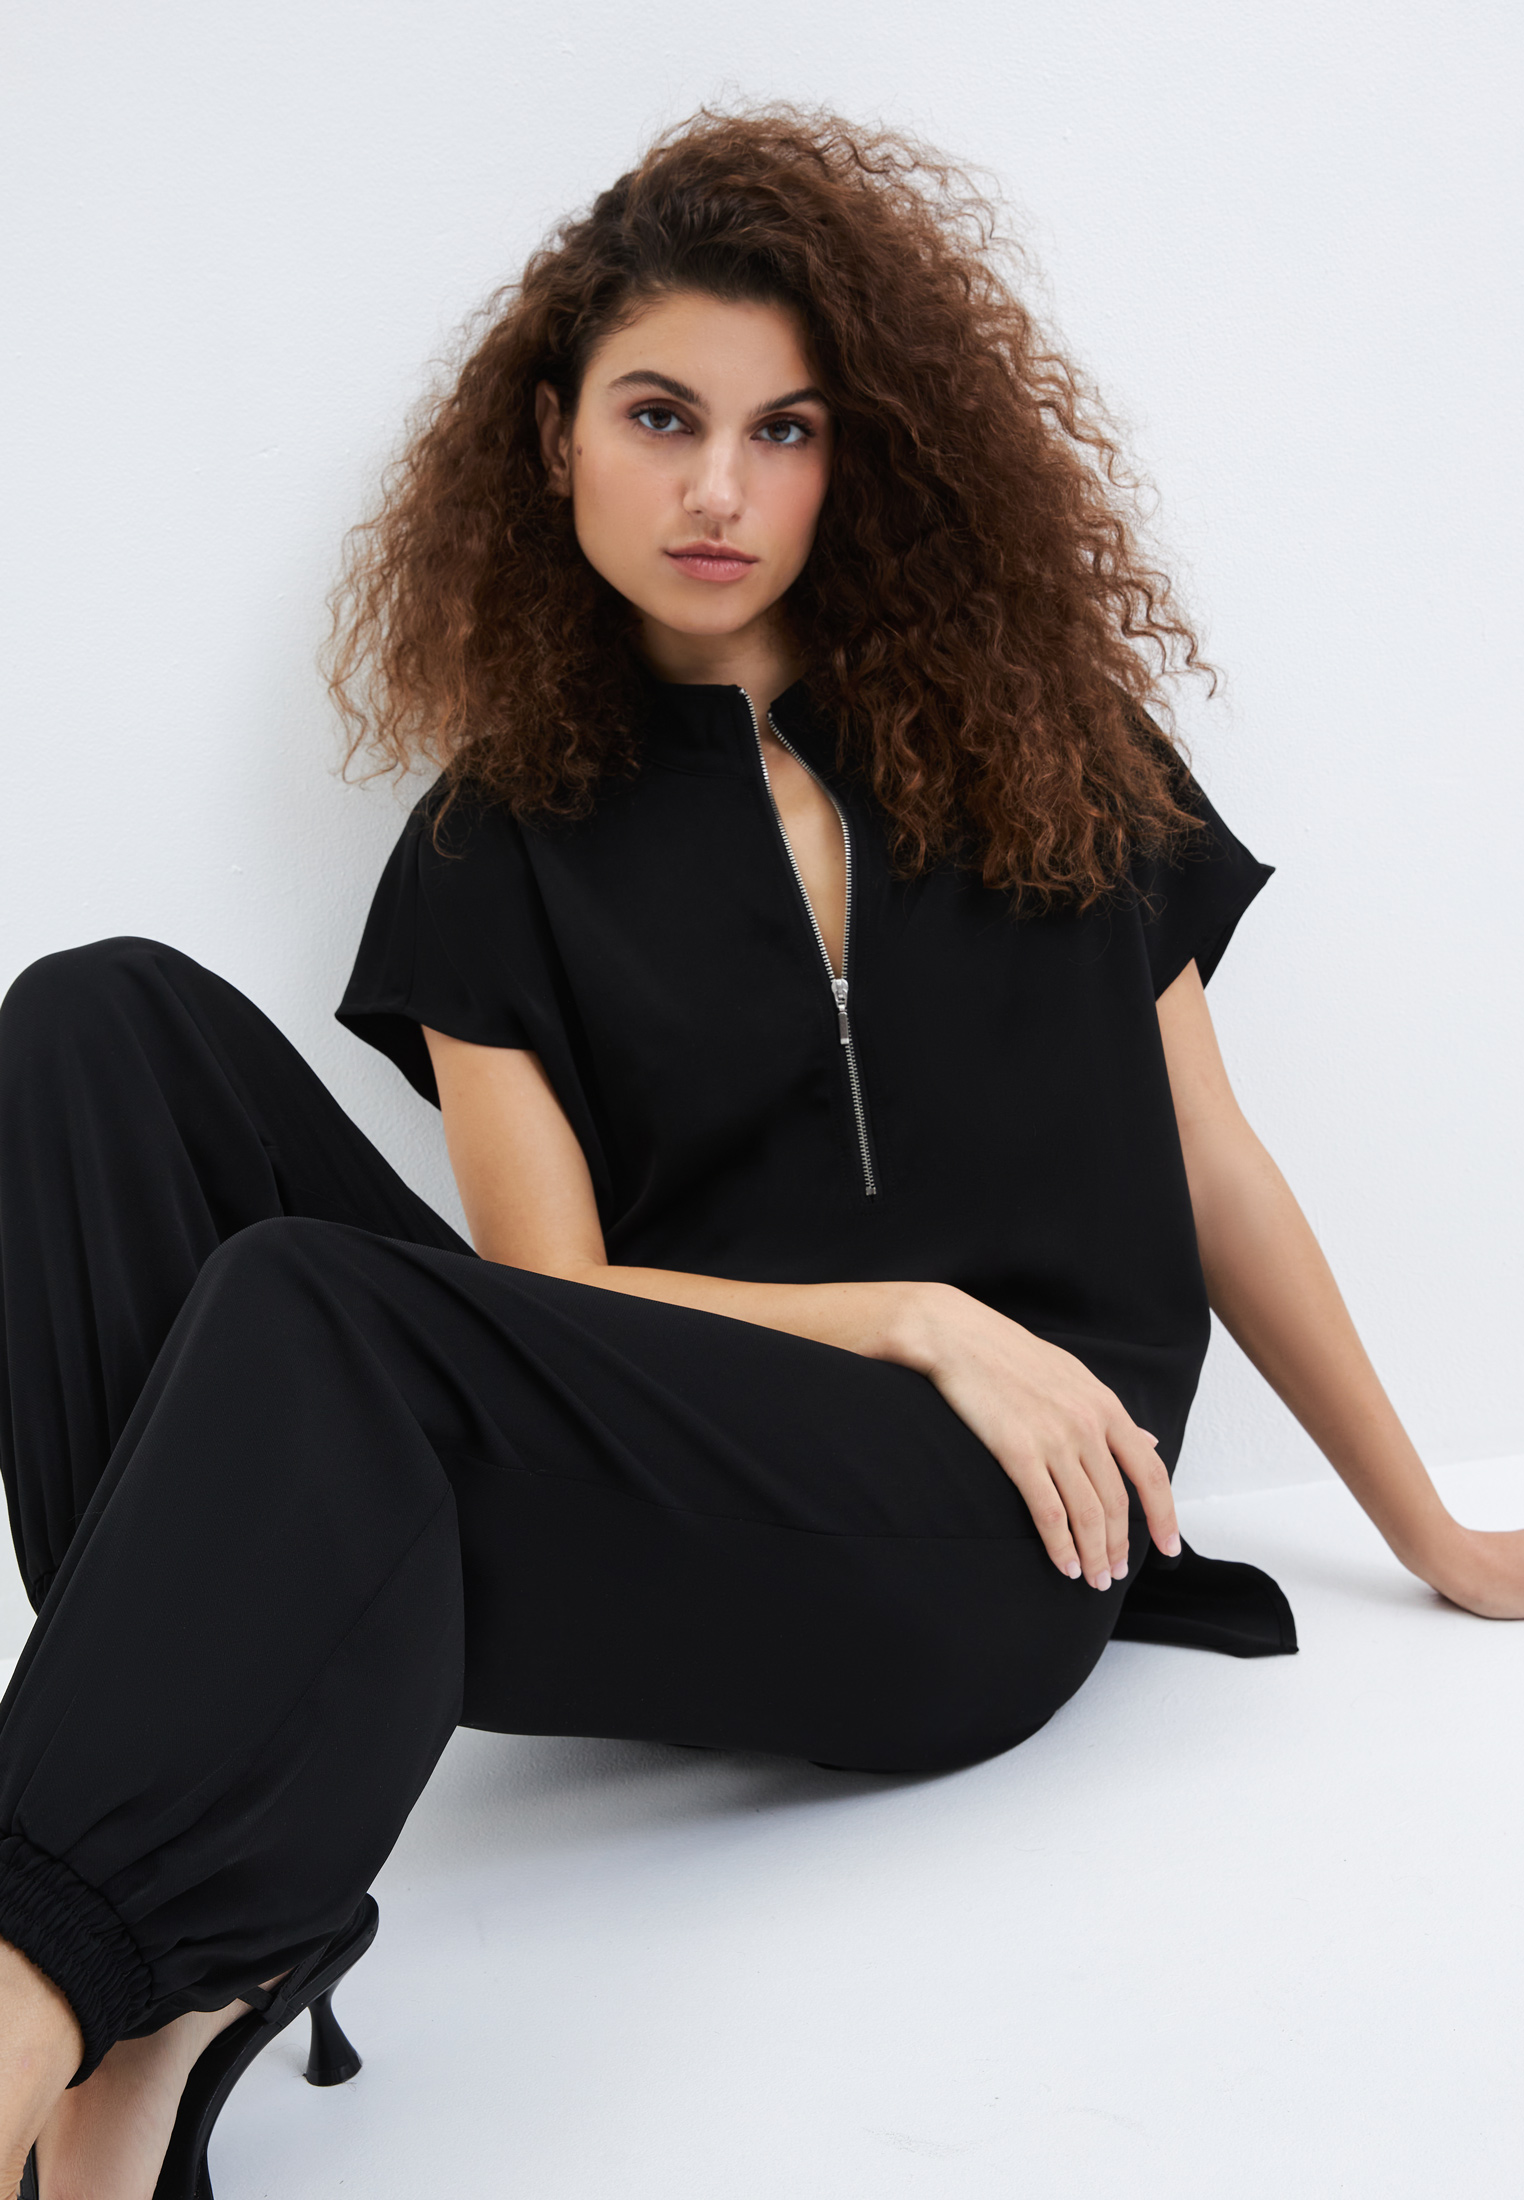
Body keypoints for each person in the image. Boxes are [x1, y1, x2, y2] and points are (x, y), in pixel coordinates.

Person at [0, 104, 1519, 2200]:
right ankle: (172, 1944)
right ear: (553, 440)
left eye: (783, 430)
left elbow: (1216, 1161)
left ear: (853, 457)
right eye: (661, 416)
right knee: (90, 1026)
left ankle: (66, 1990)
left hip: (1010, 1532)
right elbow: (551, 1306)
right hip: (684, 1489)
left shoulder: (1052, 750)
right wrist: (908, 1314)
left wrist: (1429, 1526)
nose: (719, 489)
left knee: (310, 1303)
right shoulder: (494, 844)